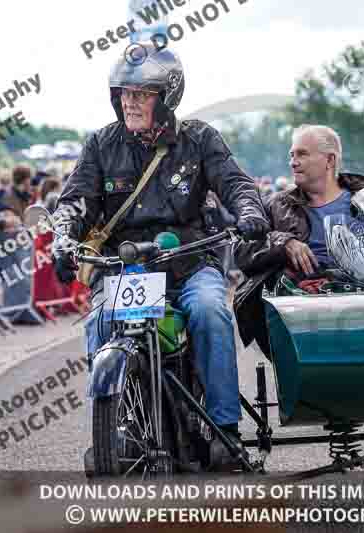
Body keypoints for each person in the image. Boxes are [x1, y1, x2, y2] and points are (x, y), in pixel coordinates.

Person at [52, 44, 268, 469]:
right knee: (99, 320)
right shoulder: (101, 144)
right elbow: (75, 202)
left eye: (141, 93)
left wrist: (249, 211)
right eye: (124, 93)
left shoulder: (199, 138)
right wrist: (63, 238)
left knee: (210, 311)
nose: (129, 101)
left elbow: (235, 183)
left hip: (188, 262)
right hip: (126, 266)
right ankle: (113, 427)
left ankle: (225, 428)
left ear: (167, 96)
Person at [234, 124, 364, 352]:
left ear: (329, 160)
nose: (293, 162)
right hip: (299, 313)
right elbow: (242, 249)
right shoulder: (276, 205)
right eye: (292, 155)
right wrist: (283, 242)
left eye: (302, 154)